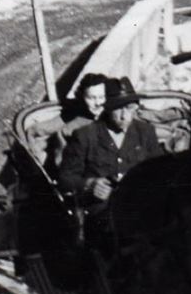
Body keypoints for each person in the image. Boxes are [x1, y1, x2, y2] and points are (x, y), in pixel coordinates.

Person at [57, 76, 164, 214]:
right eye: (118, 109)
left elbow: (159, 171)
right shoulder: (85, 135)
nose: (124, 116)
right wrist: (90, 184)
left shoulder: (145, 132)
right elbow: (65, 179)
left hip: (140, 208)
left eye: (129, 108)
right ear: (107, 109)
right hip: (101, 211)